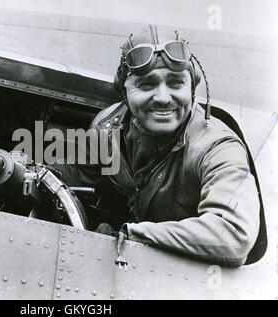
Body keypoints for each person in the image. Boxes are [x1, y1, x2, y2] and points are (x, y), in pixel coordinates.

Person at [50, 24, 266, 267]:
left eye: (176, 83)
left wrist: (136, 234)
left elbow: (233, 235)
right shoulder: (107, 128)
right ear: (124, 91)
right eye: (146, 85)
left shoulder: (217, 148)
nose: (163, 98)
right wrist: (26, 170)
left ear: (192, 88)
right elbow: (80, 173)